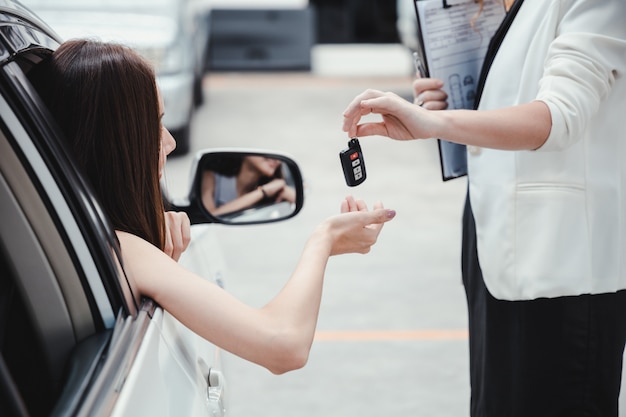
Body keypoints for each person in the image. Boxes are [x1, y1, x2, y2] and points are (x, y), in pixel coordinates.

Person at [30, 39, 396, 375]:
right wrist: (325, 239)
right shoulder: (122, 249)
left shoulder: (72, 233)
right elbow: (284, 344)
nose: (170, 143)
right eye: (155, 127)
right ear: (119, 143)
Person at [342, 0, 626, 415]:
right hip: (492, 237)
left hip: (562, 260)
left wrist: (437, 124)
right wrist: (447, 106)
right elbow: (504, 100)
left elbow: (560, 115)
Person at [201, 155, 296, 216]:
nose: (276, 160)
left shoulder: (275, 189)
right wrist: (263, 192)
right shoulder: (210, 177)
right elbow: (210, 216)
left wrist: (286, 191)